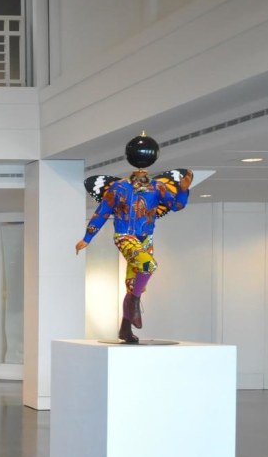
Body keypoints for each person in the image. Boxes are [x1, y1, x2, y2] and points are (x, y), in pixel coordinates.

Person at [75, 133, 192, 344]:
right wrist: (87, 237)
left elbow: (176, 206)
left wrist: (183, 190)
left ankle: (125, 330)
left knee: (132, 282)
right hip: (125, 236)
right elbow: (102, 212)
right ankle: (134, 303)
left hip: (146, 238)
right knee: (149, 266)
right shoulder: (118, 187)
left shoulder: (158, 187)